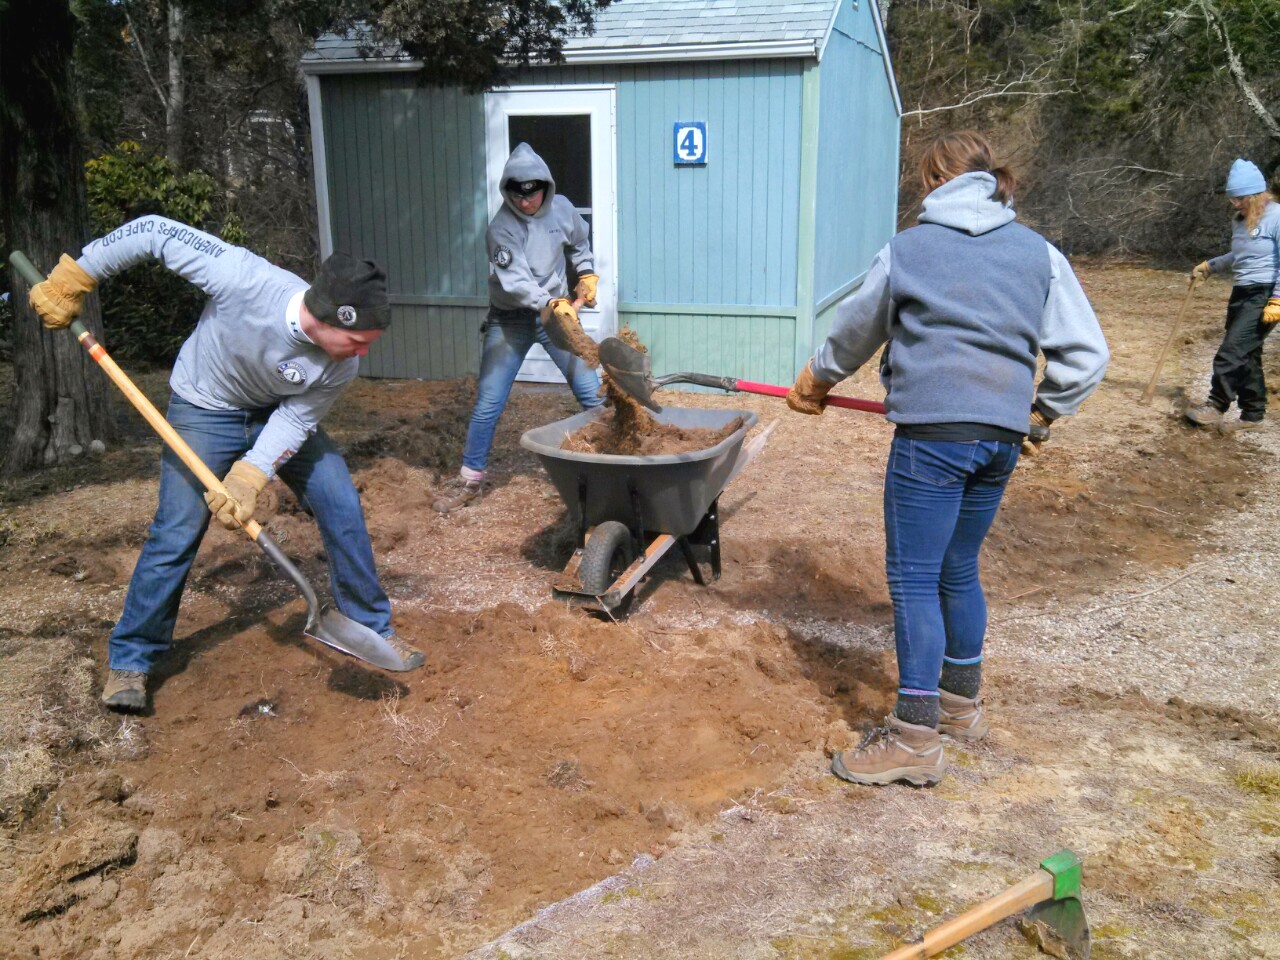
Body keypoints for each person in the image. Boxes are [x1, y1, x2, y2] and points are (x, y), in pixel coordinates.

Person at [787, 130, 1109, 787]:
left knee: (913, 579)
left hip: (932, 439)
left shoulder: (908, 249)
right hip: (998, 438)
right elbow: (1088, 353)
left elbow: (856, 329)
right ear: (993, 181)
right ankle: (962, 710)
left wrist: (816, 381)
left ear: (935, 181)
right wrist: (1043, 412)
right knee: (957, 567)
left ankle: (913, 740)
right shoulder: (1038, 253)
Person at [27, 216, 425, 712]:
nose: (365, 351)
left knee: (339, 500)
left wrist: (250, 474)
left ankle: (372, 628)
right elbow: (153, 230)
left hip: (276, 413)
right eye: (360, 338)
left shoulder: (342, 363)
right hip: (204, 407)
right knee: (176, 529)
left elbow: (296, 420)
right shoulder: (242, 278)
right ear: (329, 316)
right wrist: (76, 276)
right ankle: (132, 658)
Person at [433, 142, 605, 513]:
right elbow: (516, 282)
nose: (526, 202)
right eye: (518, 195)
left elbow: (578, 241)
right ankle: (470, 479)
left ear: (546, 186)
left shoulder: (561, 209)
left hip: (556, 315)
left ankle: (615, 461)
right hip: (511, 318)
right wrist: (551, 302)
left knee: (592, 391)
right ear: (507, 191)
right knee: (489, 402)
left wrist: (586, 270)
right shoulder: (501, 229)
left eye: (533, 193)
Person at [1185, 158, 1280, 433]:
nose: (1235, 204)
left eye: (1239, 198)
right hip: (1242, 290)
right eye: (1232, 199)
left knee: (1231, 351)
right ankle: (1253, 416)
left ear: (1256, 193)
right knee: (1247, 354)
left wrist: (1277, 299)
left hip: (1263, 294)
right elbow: (1240, 255)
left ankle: (1216, 406)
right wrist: (1210, 266)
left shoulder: (1276, 217)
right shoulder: (1240, 221)